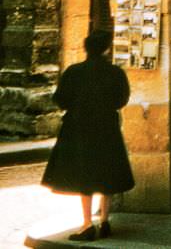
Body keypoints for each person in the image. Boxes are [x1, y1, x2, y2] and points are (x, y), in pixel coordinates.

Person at [42, 29, 135, 242]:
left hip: (79, 127)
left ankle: (86, 223)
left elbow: (60, 99)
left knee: (85, 175)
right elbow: (121, 99)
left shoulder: (74, 71)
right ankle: (104, 220)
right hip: (106, 127)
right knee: (106, 172)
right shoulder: (115, 72)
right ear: (106, 48)